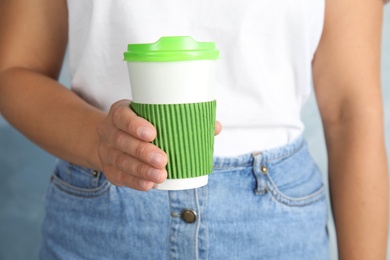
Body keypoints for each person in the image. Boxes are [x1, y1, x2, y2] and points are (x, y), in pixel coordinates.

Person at [0, 0, 388, 259]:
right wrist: (100, 142)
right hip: (101, 218)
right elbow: (14, 70)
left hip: (275, 229)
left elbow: (351, 112)